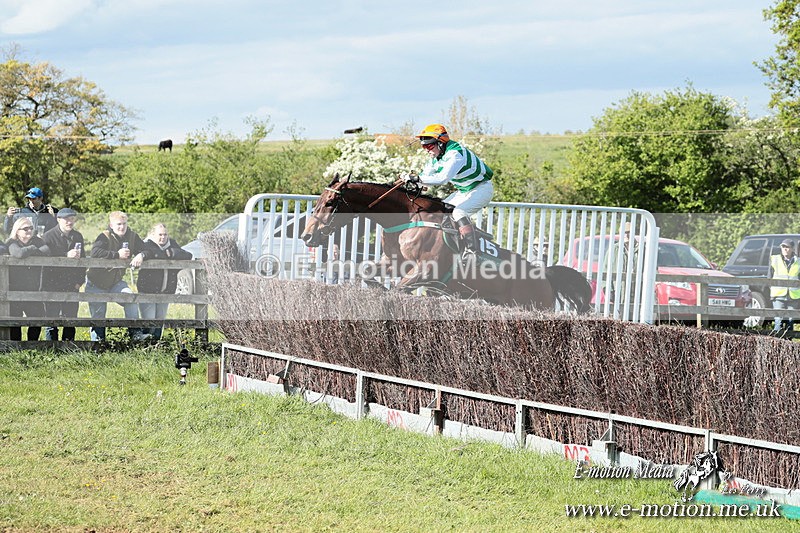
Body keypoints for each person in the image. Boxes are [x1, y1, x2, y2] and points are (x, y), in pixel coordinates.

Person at [405, 123, 494, 262]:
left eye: (429, 146)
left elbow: (442, 179)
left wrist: (417, 179)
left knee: (459, 212)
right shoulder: (436, 158)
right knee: (440, 210)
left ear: (440, 144)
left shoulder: (455, 154)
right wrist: (412, 182)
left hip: (481, 189)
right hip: (465, 191)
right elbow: (425, 176)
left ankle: (473, 251)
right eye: (424, 146)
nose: (426, 150)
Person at [85, 211, 148, 342]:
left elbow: (148, 249)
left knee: (130, 298)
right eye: (118, 224)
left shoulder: (132, 236)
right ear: (111, 225)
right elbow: (95, 252)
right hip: (96, 282)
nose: (122, 227)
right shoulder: (104, 236)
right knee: (98, 316)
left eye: (124, 224)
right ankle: (98, 345)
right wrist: (116, 255)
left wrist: (141, 255)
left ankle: (135, 334)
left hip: (116, 282)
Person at [137, 223, 192, 340]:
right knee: (149, 320)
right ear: (153, 234)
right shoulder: (146, 244)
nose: (163, 237)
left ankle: (157, 345)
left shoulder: (172, 244)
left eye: (165, 234)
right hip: (148, 291)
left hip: (166, 290)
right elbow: (148, 253)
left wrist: (171, 253)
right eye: (160, 234)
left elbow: (188, 255)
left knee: (160, 321)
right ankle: (145, 345)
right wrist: (162, 254)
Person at [41, 208, 85, 341]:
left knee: (70, 319)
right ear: (58, 219)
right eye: (66, 219)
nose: (69, 222)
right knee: (51, 320)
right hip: (52, 284)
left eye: (72, 219)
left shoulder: (78, 236)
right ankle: (51, 347)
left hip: (72, 284)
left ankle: (68, 347)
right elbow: (44, 259)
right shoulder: (47, 236)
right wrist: (66, 256)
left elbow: (83, 261)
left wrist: (80, 281)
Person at [6, 217, 48, 341]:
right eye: (25, 229)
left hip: (34, 289)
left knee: (37, 319)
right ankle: (16, 349)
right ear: (17, 231)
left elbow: (46, 251)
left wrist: (31, 250)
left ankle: (32, 346)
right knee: (15, 322)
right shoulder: (11, 242)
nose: (29, 231)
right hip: (15, 289)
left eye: (31, 228)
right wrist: (33, 249)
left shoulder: (37, 240)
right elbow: (18, 253)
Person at [768, 238, 800, 336]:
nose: (785, 249)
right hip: (778, 295)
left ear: (792, 249)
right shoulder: (774, 259)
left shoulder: (798, 261)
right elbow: (769, 277)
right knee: (779, 320)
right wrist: (772, 289)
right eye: (783, 247)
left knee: (790, 320)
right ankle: (777, 342)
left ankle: (788, 345)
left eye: (787, 247)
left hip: (793, 296)